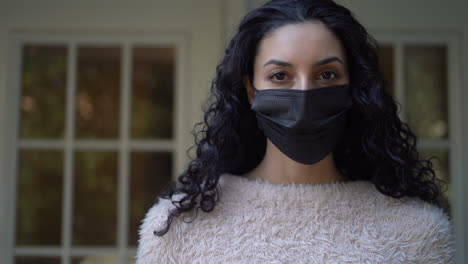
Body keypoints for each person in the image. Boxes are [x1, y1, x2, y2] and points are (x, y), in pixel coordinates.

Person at [136, 0, 456, 263]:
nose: (303, 93)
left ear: (352, 88)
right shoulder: (176, 227)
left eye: (327, 74)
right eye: (280, 75)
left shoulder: (417, 231)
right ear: (250, 90)